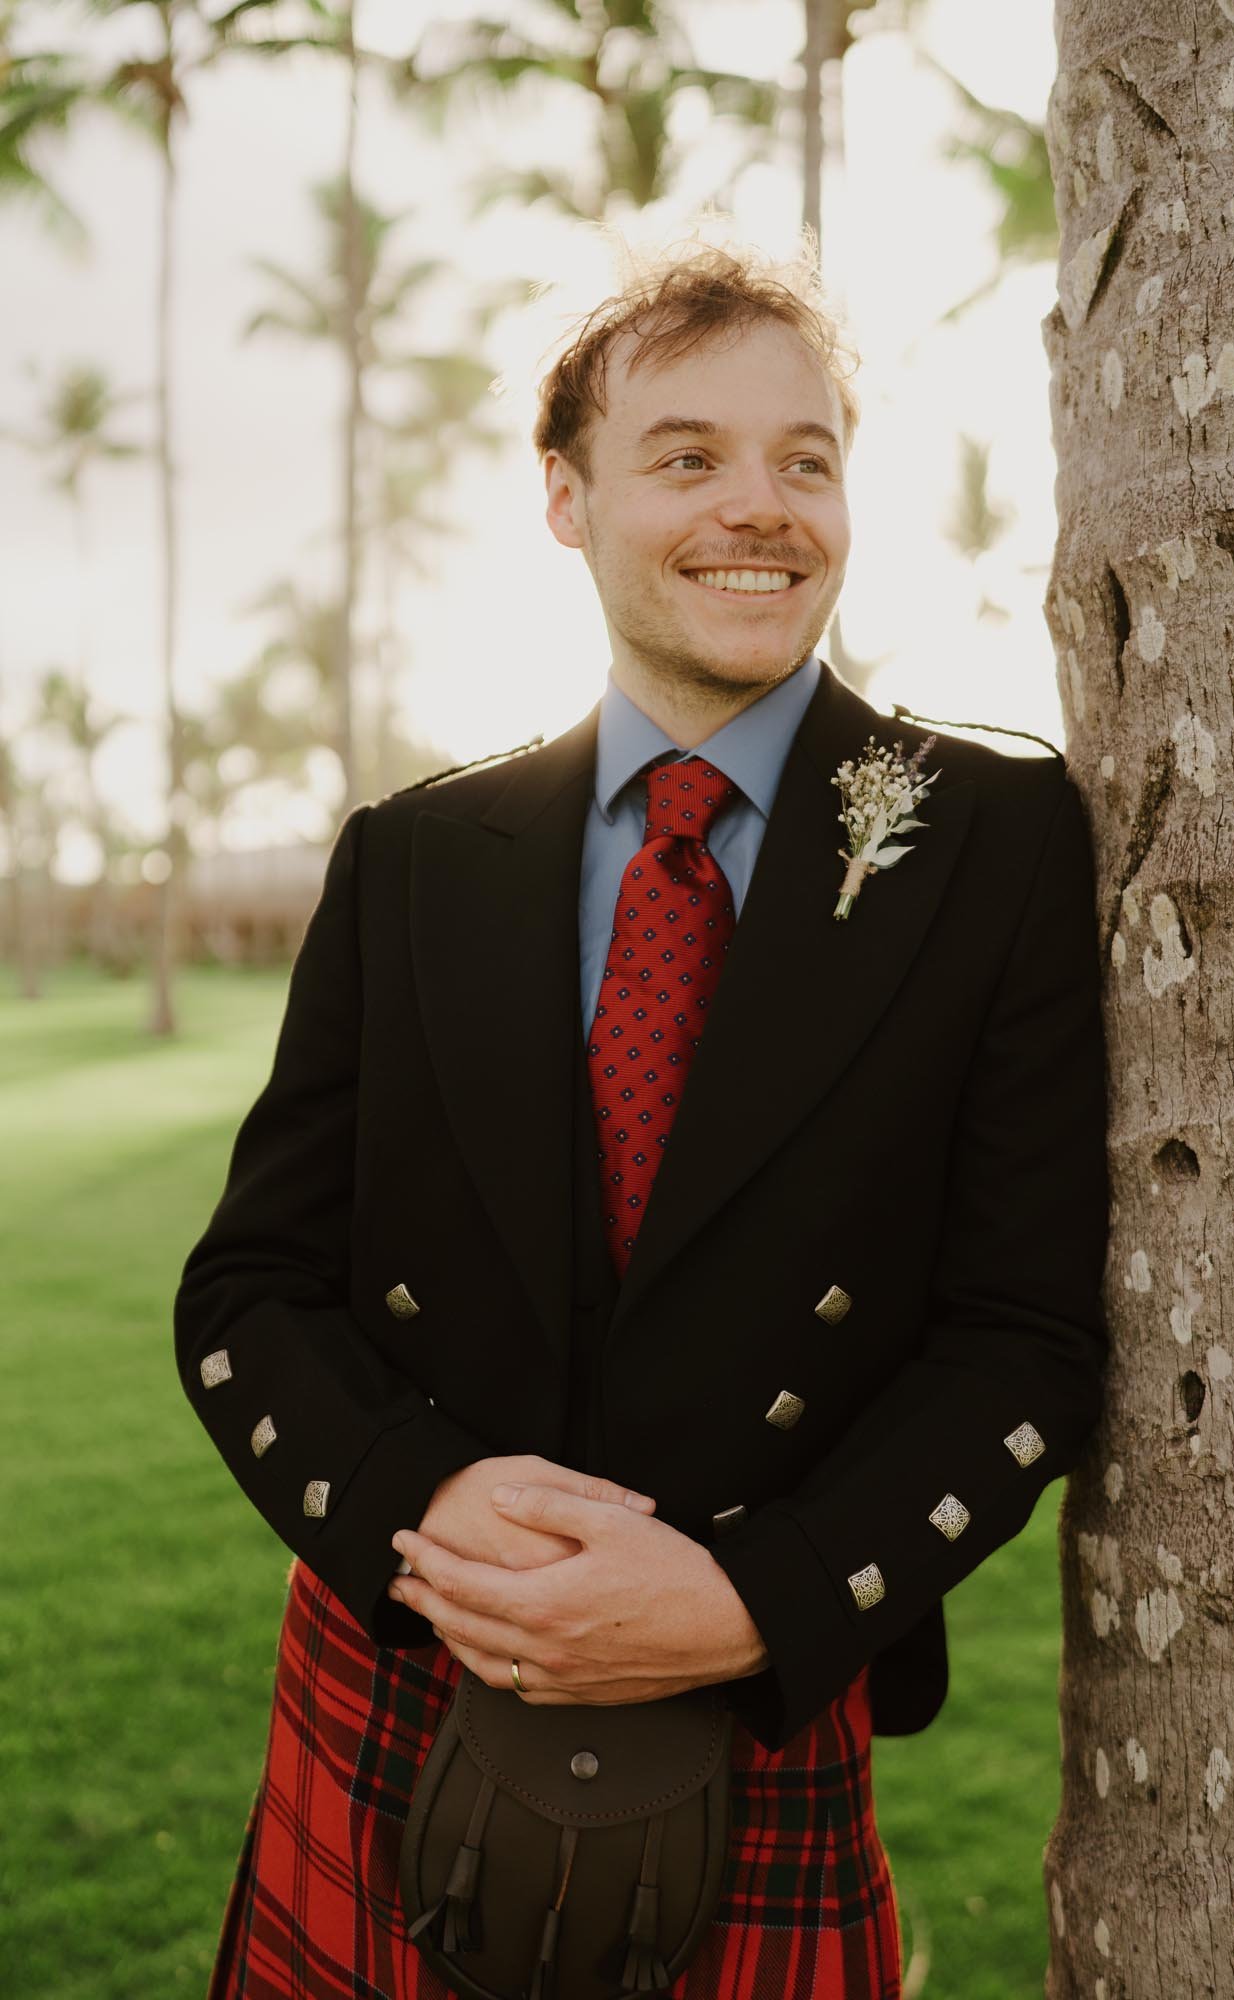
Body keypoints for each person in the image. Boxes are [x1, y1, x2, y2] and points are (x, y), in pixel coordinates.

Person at [176, 231, 1109, 2000]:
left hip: (758, 1697)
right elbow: (248, 1293)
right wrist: (407, 1505)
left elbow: (1025, 1335)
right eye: (686, 455)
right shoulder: (416, 858)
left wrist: (767, 1602)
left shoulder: (989, 837)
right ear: (565, 498)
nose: (758, 506)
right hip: (406, 1668)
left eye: (803, 459)